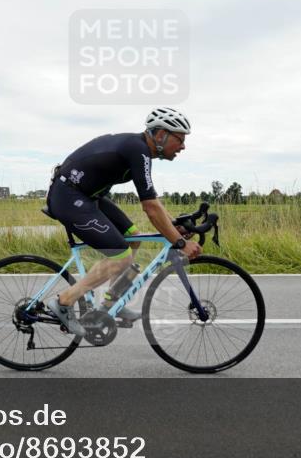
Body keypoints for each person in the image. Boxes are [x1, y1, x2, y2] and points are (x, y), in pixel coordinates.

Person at [44, 107, 203, 336]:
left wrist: (174, 224)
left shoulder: (140, 150)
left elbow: (153, 201)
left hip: (88, 196)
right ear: (160, 135)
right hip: (68, 196)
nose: (183, 146)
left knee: (133, 238)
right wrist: (179, 242)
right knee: (120, 256)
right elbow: (149, 207)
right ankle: (64, 301)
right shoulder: (138, 149)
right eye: (180, 139)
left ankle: (110, 305)